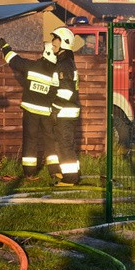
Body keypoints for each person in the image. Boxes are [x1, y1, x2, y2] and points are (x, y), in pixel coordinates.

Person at [0, 38, 60, 181]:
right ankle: (54, 171)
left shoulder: (31, 66)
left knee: (30, 140)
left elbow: (14, 61)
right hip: (47, 112)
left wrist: (5, 46)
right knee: (50, 141)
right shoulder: (56, 73)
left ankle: (29, 173)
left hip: (30, 112)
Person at [51, 26, 82, 186]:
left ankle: (70, 178)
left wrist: (55, 107)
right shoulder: (64, 61)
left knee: (65, 144)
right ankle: (70, 173)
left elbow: (66, 91)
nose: (52, 43)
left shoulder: (65, 64)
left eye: (55, 39)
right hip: (65, 110)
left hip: (65, 110)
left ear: (63, 42)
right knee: (64, 143)